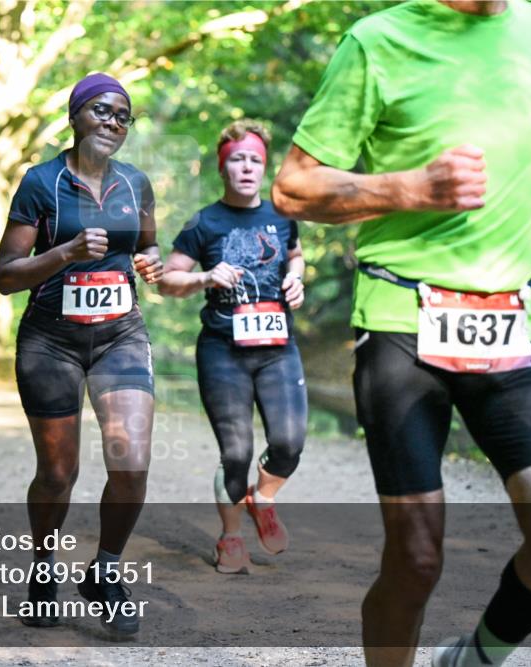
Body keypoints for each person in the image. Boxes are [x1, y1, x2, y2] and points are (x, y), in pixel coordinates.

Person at [271, 1, 531, 665]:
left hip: (513, 323)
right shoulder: (377, 41)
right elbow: (294, 188)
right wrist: (411, 188)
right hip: (402, 323)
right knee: (416, 558)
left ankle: (474, 659)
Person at [0, 73, 163, 636]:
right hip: (51, 341)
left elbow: (148, 243)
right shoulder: (41, 183)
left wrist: (152, 262)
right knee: (57, 473)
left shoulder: (136, 184)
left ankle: (105, 573)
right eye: (102, 110)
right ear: (75, 116)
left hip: (120, 336)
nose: (113, 121)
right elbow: (5, 276)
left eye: (123, 115)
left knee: (131, 464)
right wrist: (65, 252)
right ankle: (43, 569)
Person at [158, 120, 307, 574]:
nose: (246, 167)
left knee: (289, 443)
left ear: (264, 167)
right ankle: (231, 537)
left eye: (255, 160)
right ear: (223, 168)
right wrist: (205, 277)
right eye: (237, 159)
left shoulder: (282, 215)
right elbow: (167, 280)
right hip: (223, 350)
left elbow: (295, 254)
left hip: (277, 348)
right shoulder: (204, 222)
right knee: (236, 453)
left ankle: (263, 499)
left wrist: (296, 277)